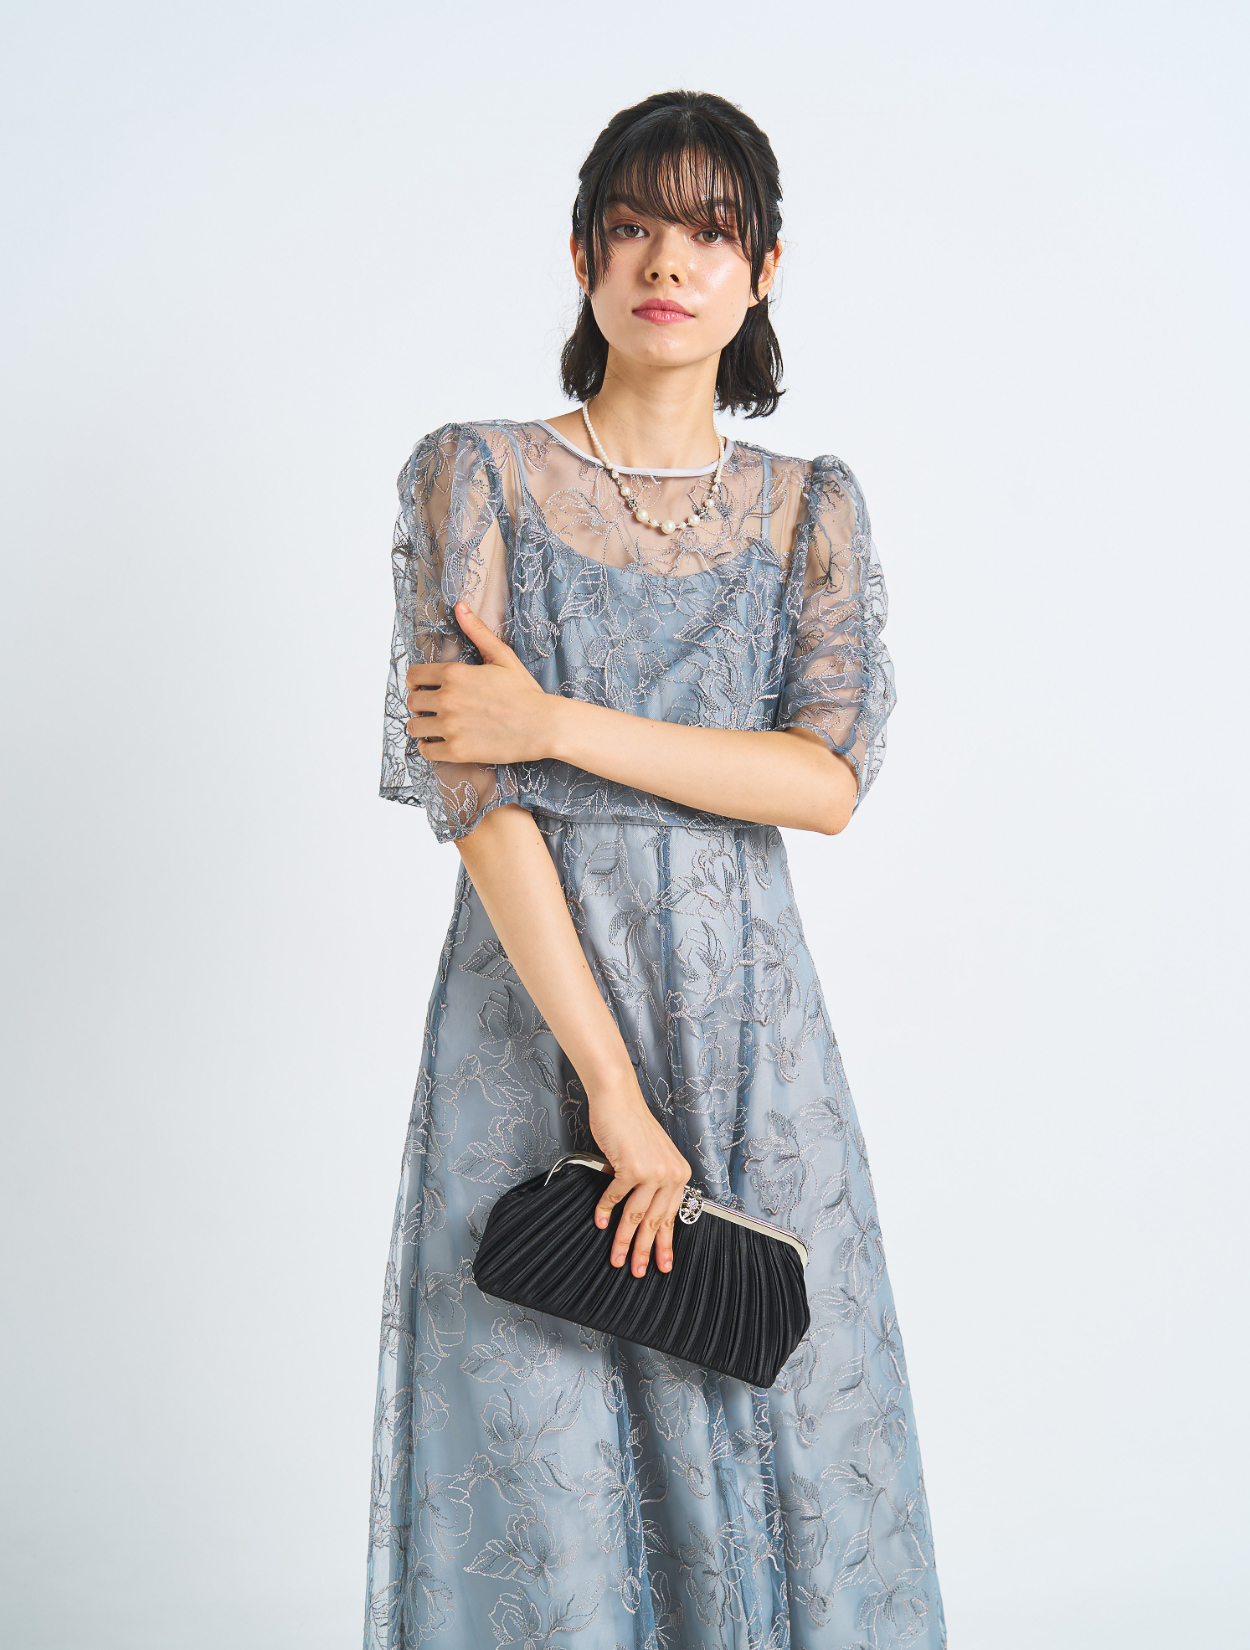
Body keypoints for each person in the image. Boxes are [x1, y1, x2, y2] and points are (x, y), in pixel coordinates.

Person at [365, 88, 946, 1650]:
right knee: (540, 1444)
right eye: (630, 227)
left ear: (761, 270)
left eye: (708, 231)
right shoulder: (473, 477)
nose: (667, 263)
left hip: (752, 1026)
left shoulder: (810, 509)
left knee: (773, 1421)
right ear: (581, 257)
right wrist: (611, 1094)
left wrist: (553, 719)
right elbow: (478, 797)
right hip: (532, 1014)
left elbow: (821, 781)